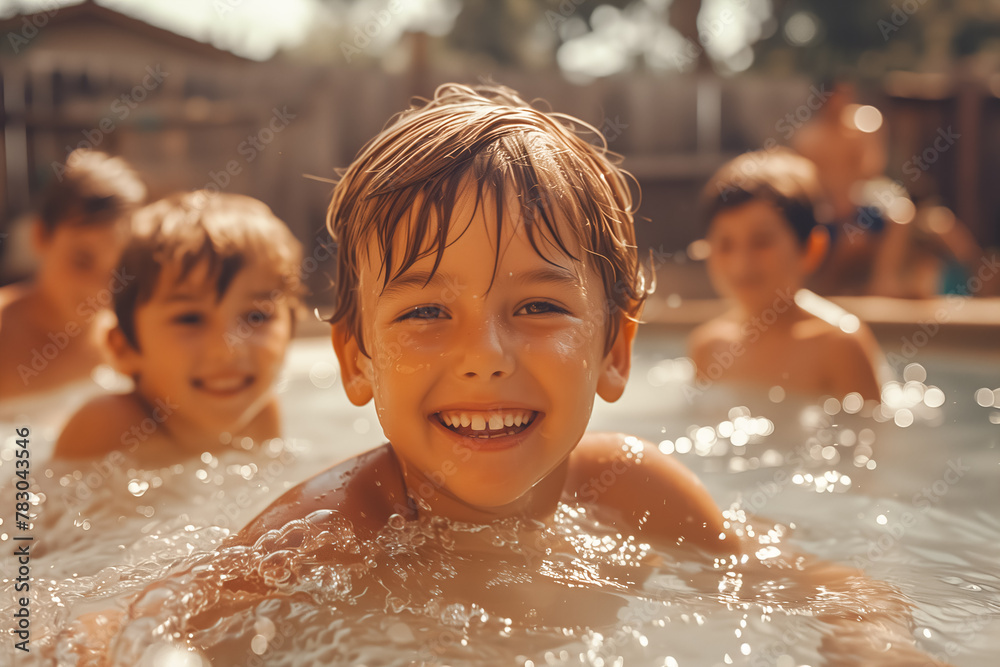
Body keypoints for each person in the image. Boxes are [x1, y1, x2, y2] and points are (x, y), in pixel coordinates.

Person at [88, 86, 944, 666]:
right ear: (355, 358)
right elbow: (118, 630)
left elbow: (826, 581)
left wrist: (871, 639)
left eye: (538, 308)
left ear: (615, 351)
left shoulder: (633, 487)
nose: (486, 354)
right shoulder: (326, 531)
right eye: (425, 313)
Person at [53, 191, 302, 460]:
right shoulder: (109, 427)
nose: (228, 350)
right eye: (190, 318)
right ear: (123, 347)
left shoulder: (260, 413)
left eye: (256, 317)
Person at [688, 148, 883, 401]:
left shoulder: (838, 346)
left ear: (811, 248)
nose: (741, 263)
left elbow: (872, 437)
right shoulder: (707, 347)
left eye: (761, 241)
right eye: (725, 244)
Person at [0, 149, 145, 400]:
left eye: (118, 269)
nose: (98, 287)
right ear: (40, 236)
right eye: (82, 260)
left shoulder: (129, 342)